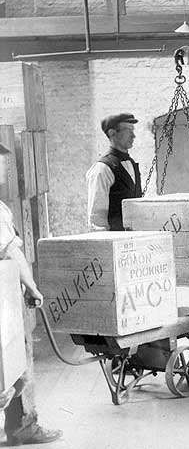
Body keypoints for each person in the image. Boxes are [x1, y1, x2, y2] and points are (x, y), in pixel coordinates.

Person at [0, 142, 61, 446]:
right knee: (17, 360)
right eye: (1, 163)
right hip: (3, 299)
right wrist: (33, 287)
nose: (4, 170)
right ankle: (24, 427)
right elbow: (11, 251)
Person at [86, 113, 142, 231]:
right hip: (116, 241)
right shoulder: (102, 169)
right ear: (112, 133)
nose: (133, 136)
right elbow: (97, 219)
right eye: (128, 130)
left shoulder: (131, 163)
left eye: (133, 130)